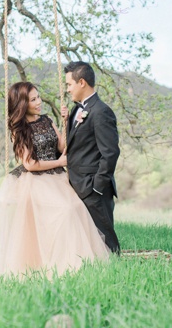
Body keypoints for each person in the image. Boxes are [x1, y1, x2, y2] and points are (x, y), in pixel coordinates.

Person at [0, 82, 110, 280]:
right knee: (63, 211)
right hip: (34, 180)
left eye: (38, 97)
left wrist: (66, 122)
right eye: (33, 99)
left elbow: (63, 146)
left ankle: (78, 264)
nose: (39, 102)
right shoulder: (18, 128)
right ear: (22, 104)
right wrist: (59, 161)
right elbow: (29, 164)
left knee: (75, 209)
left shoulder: (45, 120)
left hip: (56, 177)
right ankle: (56, 265)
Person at [60, 61, 121, 254]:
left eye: (69, 84)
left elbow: (110, 152)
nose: (67, 90)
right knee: (86, 240)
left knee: (105, 239)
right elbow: (78, 145)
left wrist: (96, 186)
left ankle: (116, 273)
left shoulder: (101, 111)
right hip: (77, 185)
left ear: (82, 83)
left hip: (93, 189)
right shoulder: (78, 110)